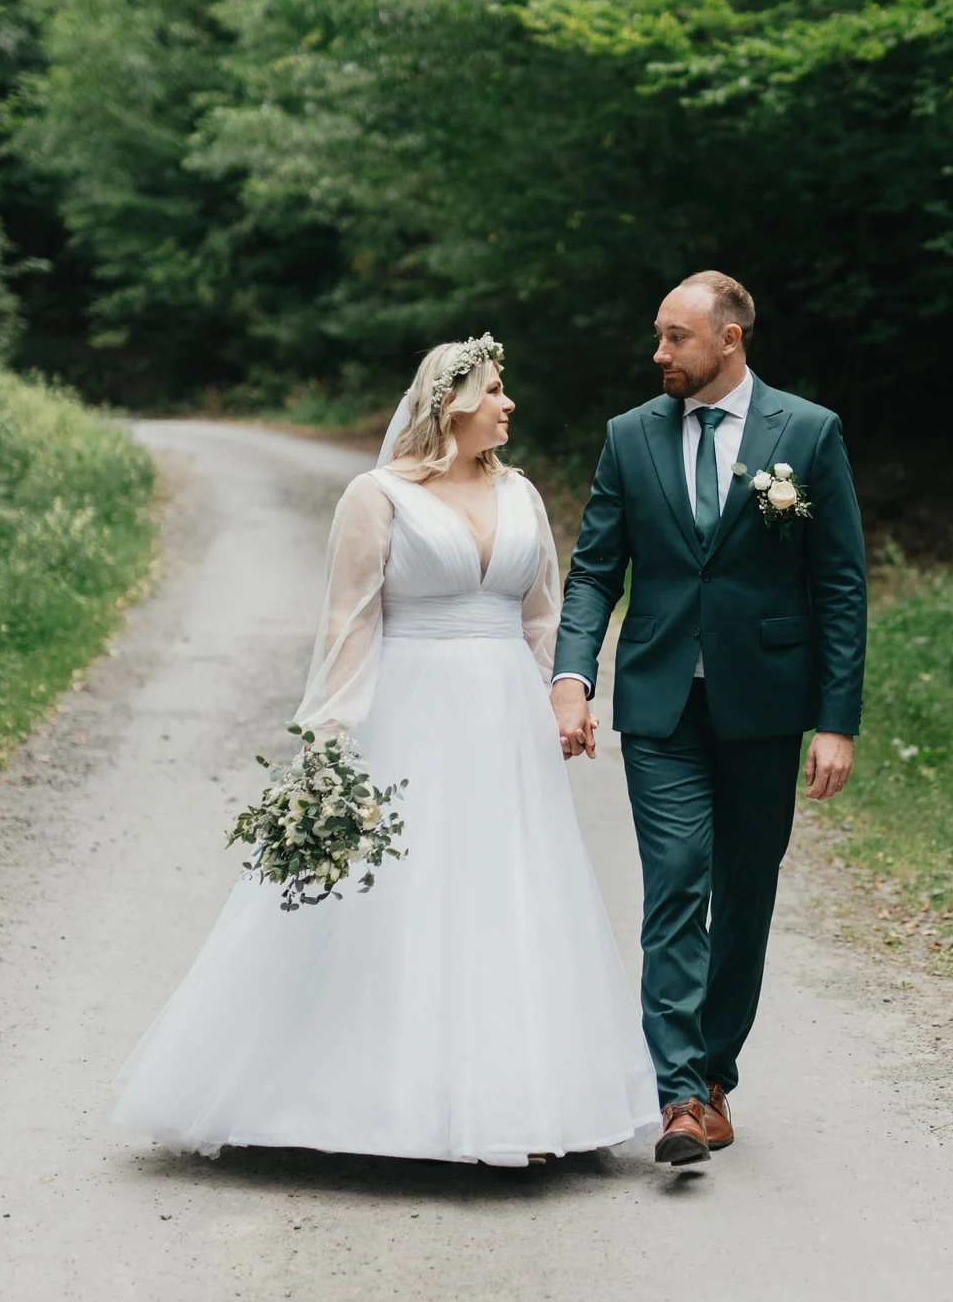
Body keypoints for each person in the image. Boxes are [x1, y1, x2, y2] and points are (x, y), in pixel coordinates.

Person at [113, 337, 659, 1166]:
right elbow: (348, 622)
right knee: (396, 895)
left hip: (506, 722)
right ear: (452, 402)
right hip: (409, 710)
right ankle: (336, 1097)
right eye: (496, 389)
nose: (509, 404)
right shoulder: (376, 497)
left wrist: (563, 695)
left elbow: (542, 612)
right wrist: (328, 743)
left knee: (506, 894)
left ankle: (519, 1099)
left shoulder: (522, 494)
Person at [552, 272, 868, 1165]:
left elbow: (840, 584)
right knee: (679, 876)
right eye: (657, 336)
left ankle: (717, 1069)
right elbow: (593, 572)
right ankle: (680, 1093)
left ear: (729, 340)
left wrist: (835, 719)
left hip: (765, 706)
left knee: (746, 887)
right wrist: (574, 673)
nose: (659, 354)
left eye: (675, 338)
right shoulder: (629, 437)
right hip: (661, 704)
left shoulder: (806, 432)